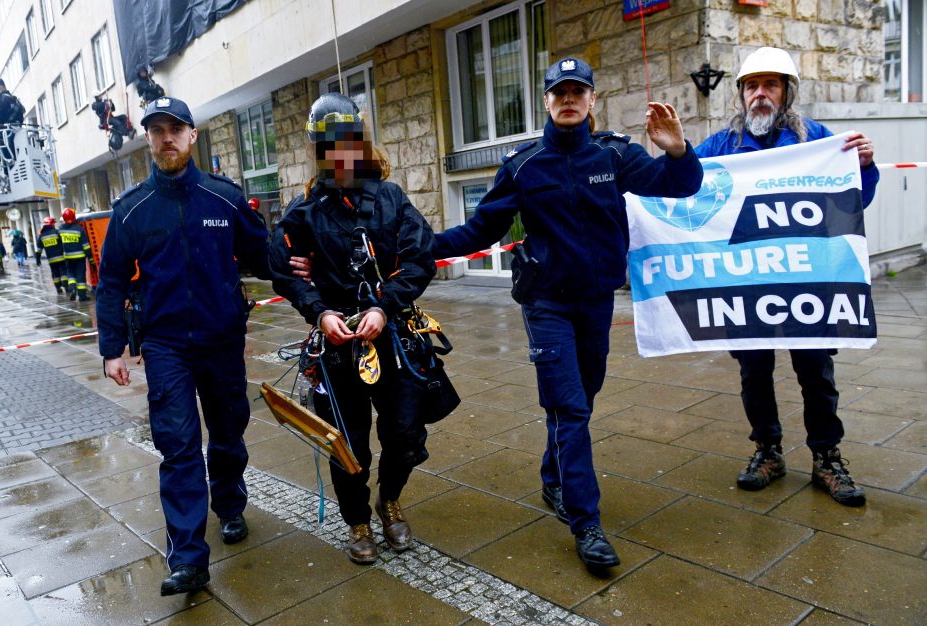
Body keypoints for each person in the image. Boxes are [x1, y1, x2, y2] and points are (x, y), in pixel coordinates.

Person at [433, 58, 703, 569]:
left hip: (596, 302)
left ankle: (554, 477)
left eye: (578, 91)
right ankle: (586, 523)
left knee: (583, 397)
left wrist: (676, 150)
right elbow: (478, 232)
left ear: (593, 100)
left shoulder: (615, 154)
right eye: (560, 93)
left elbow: (680, 185)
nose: (569, 100)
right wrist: (421, 246)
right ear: (546, 101)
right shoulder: (523, 164)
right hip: (546, 303)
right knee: (571, 408)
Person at [96, 96, 271, 595]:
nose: (166, 137)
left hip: (221, 340)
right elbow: (109, 283)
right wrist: (112, 349)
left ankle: (231, 503)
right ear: (148, 139)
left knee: (228, 433)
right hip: (166, 345)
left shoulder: (224, 198)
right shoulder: (132, 211)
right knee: (177, 447)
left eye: (176, 128)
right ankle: (189, 557)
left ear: (193, 135)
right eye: (157, 130)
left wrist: (305, 276)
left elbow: (263, 256)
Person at [695, 47, 878, 507]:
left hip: (808, 280)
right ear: (740, 94)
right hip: (746, 283)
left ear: (786, 92)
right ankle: (768, 451)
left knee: (816, 372)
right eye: (752, 86)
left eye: (770, 85)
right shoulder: (720, 146)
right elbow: (682, 189)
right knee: (754, 371)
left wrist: (866, 168)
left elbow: (852, 202)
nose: (760, 94)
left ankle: (827, 458)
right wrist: (673, 154)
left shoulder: (818, 141)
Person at [269, 93, 437, 565]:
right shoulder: (304, 211)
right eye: (328, 144)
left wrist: (385, 306)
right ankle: (357, 519)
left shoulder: (390, 197)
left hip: (392, 336)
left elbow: (420, 257)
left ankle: (389, 501)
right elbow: (280, 264)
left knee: (404, 433)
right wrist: (318, 309)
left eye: (347, 141)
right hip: (336, 345)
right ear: (318, 150)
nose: (339, 152)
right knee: (348, 440)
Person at [59, 208, 95, 301]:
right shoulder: (79, 229)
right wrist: (91, 259)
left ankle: (72, 290)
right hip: (79, 257)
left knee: (70, 274)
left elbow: (59, 244)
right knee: (80, 275)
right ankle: (82, 296)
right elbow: (86, 246)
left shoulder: (61, 229)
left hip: (67, 257)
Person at [37, 216, 67, 293]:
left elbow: (39, 249)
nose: (54, 225)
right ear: (51, 224)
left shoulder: (42, 236)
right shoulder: (57, 232)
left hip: (51, 259)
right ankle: (66, 285)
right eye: (53, 223)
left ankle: (58, 287)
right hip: (61, 257)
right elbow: (63, 243)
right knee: (63, 271)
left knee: (55, 273)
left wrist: (38, 259)